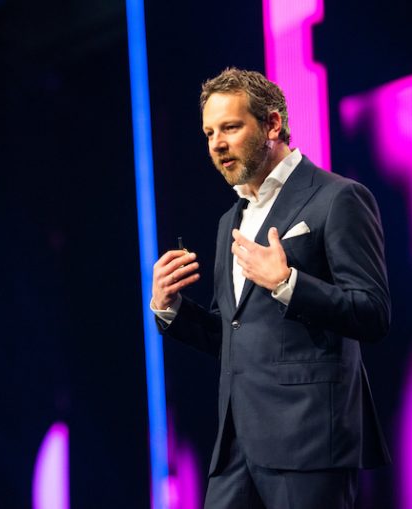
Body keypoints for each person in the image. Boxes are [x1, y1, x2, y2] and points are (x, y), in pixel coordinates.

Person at [151, 68, 390, 509]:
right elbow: (236, 333)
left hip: (310, 440)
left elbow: (372, 312)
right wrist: (172, 309)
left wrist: (287, 283)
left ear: (273, 125)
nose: (216, 144)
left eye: (230, 127)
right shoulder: (231, 220)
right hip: (237, 447)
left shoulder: (338, 198)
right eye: (209, 132)